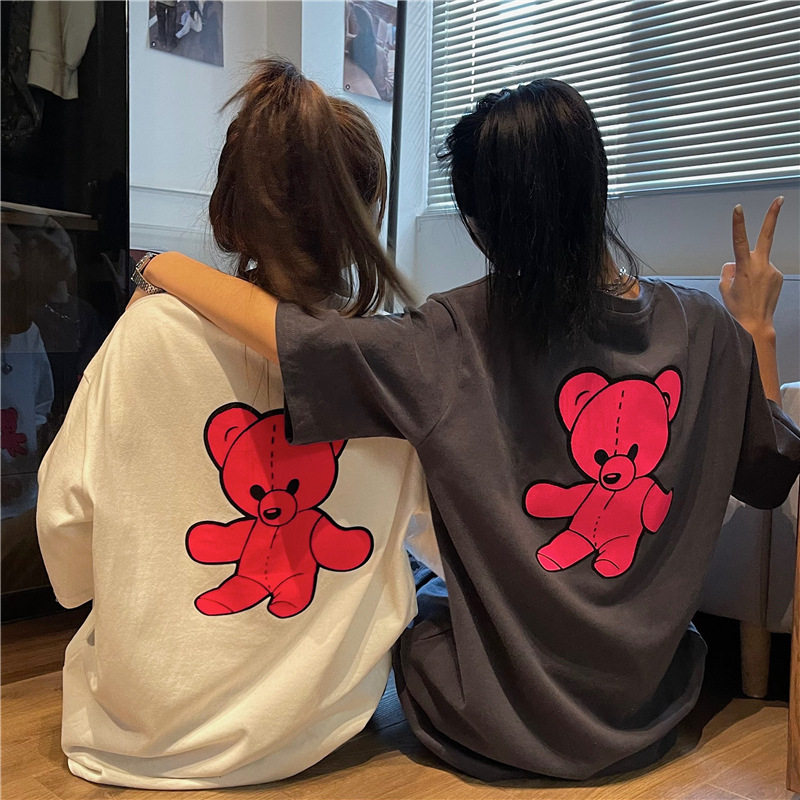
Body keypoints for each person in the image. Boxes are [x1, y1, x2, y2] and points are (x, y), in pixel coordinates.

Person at [128, 78, 800, 781]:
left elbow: (296, 339)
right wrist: (756, 328)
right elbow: (769, 474)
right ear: (596, 186)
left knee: (414, 594)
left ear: (482, 222)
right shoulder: (708, 330)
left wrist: (157, 264)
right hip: (648, 710)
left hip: (492, 722)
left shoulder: (451, 335)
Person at [36, 59, 439, 790]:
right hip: (319, 730)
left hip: (136, 739)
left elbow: (64, 520)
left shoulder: (146, 336)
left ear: (228, 211)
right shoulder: (393, 364)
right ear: (366, 216)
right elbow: (437, 544)